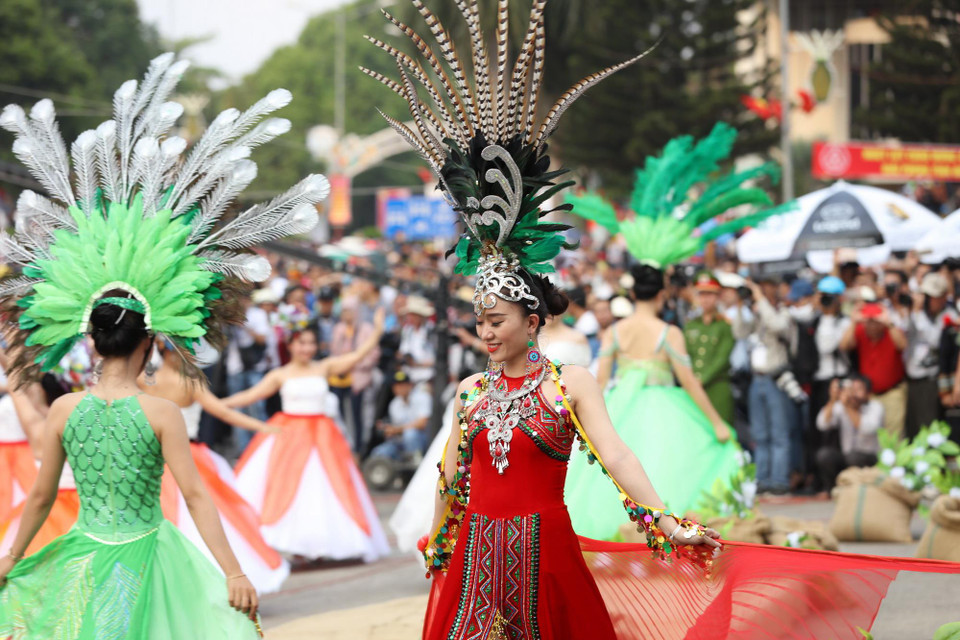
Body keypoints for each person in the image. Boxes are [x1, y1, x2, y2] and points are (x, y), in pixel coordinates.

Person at [0, 53, 331, 635]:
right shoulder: (159, 412)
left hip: (81, 559)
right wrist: (233, 573)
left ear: (90, 337)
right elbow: (197, 498)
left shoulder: (63, 409)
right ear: (151, 338)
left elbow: (41, 499)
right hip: (149, 559)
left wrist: (10, 558)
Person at [566, 264, 739, 536]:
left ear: (633, 294)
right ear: (661, 294)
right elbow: (690, 382)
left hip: (619, 408)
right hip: (666, 411)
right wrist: (716, 422)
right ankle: (671, 529)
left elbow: (598, 383)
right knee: (668, 470)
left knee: (613, 465)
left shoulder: (613, 332)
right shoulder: (669, 333)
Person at [226, 313, 390, 562]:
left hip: (324, 438)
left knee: (325, 489)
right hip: (290, 437)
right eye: (302, 343)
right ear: (290, 344)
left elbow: (357, 356)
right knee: (293, 489)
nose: (307, 348)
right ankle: (297, 545)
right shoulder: (279, 374)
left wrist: (377, 331)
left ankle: (325, 545)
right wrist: (214, 403)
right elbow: (249, 396)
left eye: (311, 343)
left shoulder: (323, 367)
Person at [142, 339, 290, 595]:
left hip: (152, 461)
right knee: (207, 516)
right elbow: (222, 412)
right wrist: (262, 427)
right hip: (190, 457)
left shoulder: (143, 381)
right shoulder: (190, 383)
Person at [732, 277, 796, 494]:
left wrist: (760, 299)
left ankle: (779, 480)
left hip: (775, 378)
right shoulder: (758, 315)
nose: (762, 291)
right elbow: (739, 332)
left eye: (766, 286)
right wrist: (742, 306)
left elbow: (777, 325)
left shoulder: (784, 312)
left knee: (779, 432)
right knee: (760, 434)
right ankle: (762, 479)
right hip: (756, 379)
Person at [840, 301, 908, 437]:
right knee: (872, 436)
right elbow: (844, 346)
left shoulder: (891, 332)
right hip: (869, 395)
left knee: (894, 435)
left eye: (875, 321)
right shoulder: (860, 332)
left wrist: (889, 322)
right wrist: (853, 322)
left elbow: (903, 345)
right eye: (868, 321)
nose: (871, 325)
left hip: (892, 392)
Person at [904, 272, 956, 439]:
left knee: (927, 427)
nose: (927, 300)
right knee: (911, 428)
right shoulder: (914, 313)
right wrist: (913, 311)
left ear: (942, 297)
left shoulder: (949, 315)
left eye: (931, 297)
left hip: (931, 381)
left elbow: (934, 340)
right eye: (925, 296)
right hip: (910, 380)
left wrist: (918, 315)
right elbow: (904, 331)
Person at [328, 297, 380, 453]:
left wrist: (354, 364)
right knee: (339, 413)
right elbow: (334, 351)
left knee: (358, 415)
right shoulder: (339, 328)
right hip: (340, 377)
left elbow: (373, 354)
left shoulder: (366, 328)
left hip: (358, 377)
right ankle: (342, 445)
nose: (346, 315)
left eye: (349, 311)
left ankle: (359, 448)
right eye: (344, 311)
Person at [683, 271, 736, 425]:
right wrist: (691, 381)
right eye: (701, 294)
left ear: (718, 297)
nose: (705, 299)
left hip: (717, 387)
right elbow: (686, 355)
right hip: (693, 388)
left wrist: (701, 379)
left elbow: (722, 358)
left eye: (710, 294)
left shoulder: (724, 325)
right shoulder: (691, 325)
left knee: (722, 428)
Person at [815, 375, 883, 492]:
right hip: (847, 457)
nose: (853, 393)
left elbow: (867, 429)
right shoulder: (842, 406)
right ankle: (832, 490)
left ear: (868, 393)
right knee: (824, 455)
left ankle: (862, 489)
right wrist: (833, 399)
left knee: (854, 457)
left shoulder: (876, 407)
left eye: (858, 390)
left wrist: (848, 407)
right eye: (851, 389)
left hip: (870, 458)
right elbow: (822, 424)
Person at [370, 370, 432, 462]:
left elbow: (423, 423)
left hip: (422, 439)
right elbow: (396, 429)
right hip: (400, 442)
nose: (400, 388)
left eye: (403, 384)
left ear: (410, 385)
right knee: (378, 452)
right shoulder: (394, 404)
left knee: (410, 434)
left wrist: (398, 429)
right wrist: (388, 429)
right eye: (397, 385)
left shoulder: (422, 396)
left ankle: (415, 463)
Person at [398, 295, 436, 386]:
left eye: (413, 314)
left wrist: (417, 364)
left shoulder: (432, 331)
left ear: (421, 315)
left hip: (427, 378)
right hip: (408, 377)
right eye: (409, 314)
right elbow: (402, 352)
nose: (410, 317)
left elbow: (437, 359)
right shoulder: (407, 330)